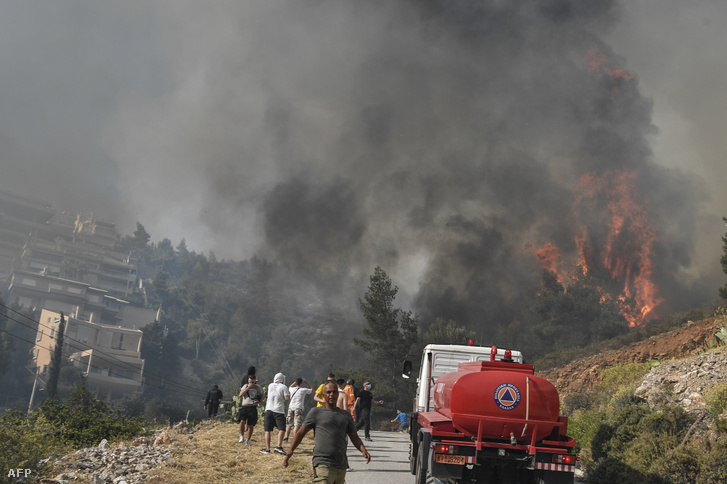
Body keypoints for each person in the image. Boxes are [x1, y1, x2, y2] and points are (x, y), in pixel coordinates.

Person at [283, 381, 370, 483]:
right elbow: (300, 433)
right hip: (322, 463)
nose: (331, 395)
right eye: (328, 392)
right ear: (323, 395)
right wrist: (290, 451)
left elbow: (354, 437)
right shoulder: (316, 412)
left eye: (334, 392)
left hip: (341, 465)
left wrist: (363, 450)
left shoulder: (346, 415)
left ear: (338, 394)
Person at [261, 372, 290, 455]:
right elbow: (287, 398)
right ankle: (279, 446)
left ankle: (267, 449)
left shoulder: (270, 385)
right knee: (282, 429)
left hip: (269, 409)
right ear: (282, 380)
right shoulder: (284, 387)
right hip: (279, 410)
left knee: (267, 430)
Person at [238, 374, 264, 445]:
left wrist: (259, 401)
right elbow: (241, 394)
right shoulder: (245, 386)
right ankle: (242, 436)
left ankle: (248, 440)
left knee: (251, 424)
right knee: (242, 421)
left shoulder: (258, 387)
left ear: (255, 381)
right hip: (244, 406)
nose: (251, 384)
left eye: (252, 382)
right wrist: (248, 388)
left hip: (252, 406)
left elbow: (263, 396)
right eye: (250, 382)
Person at [284, 377, 312, 442]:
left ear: (296, 383)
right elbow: (312, 390)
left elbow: (289, 386)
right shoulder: (304, 390)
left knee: (289, 423)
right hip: (298, 407)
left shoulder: (292, 389)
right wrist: (307, 382)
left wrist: (294, 382)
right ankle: (295, 438)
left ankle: (286, 437)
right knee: (297, 424)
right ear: (301, 383)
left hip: (291, 407)